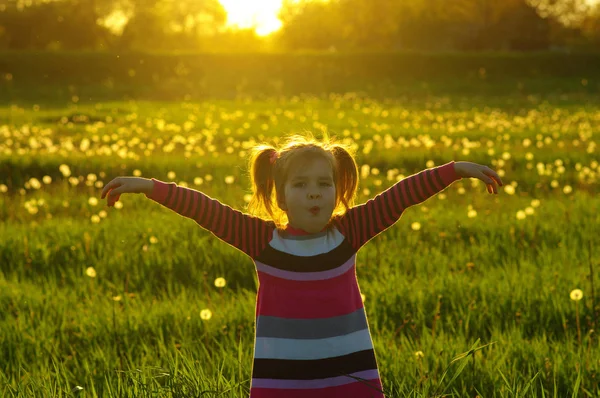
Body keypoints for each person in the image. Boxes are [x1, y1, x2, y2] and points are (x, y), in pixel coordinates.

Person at [100, 133, 503, 398]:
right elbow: (203, 209)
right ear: (280, 196)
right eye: (301, 185)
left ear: (338, 189)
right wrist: (150, 187)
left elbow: (400, 196)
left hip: (351, 379)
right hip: (282, 382)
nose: (314, 194)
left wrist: (454, 171)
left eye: (324, 184)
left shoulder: (349, 232)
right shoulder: (262, 240)